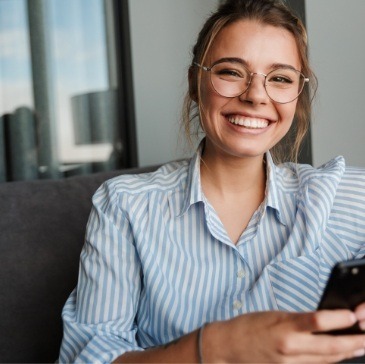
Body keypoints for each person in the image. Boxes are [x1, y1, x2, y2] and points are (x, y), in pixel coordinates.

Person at [58, 0, 365, 362]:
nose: (255, 95)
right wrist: (218, 346)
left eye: (280, 78)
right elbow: (88, 357)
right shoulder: (125, 205)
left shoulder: (336, 194)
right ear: (195, 82)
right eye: (231, 72)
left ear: (297, 97)